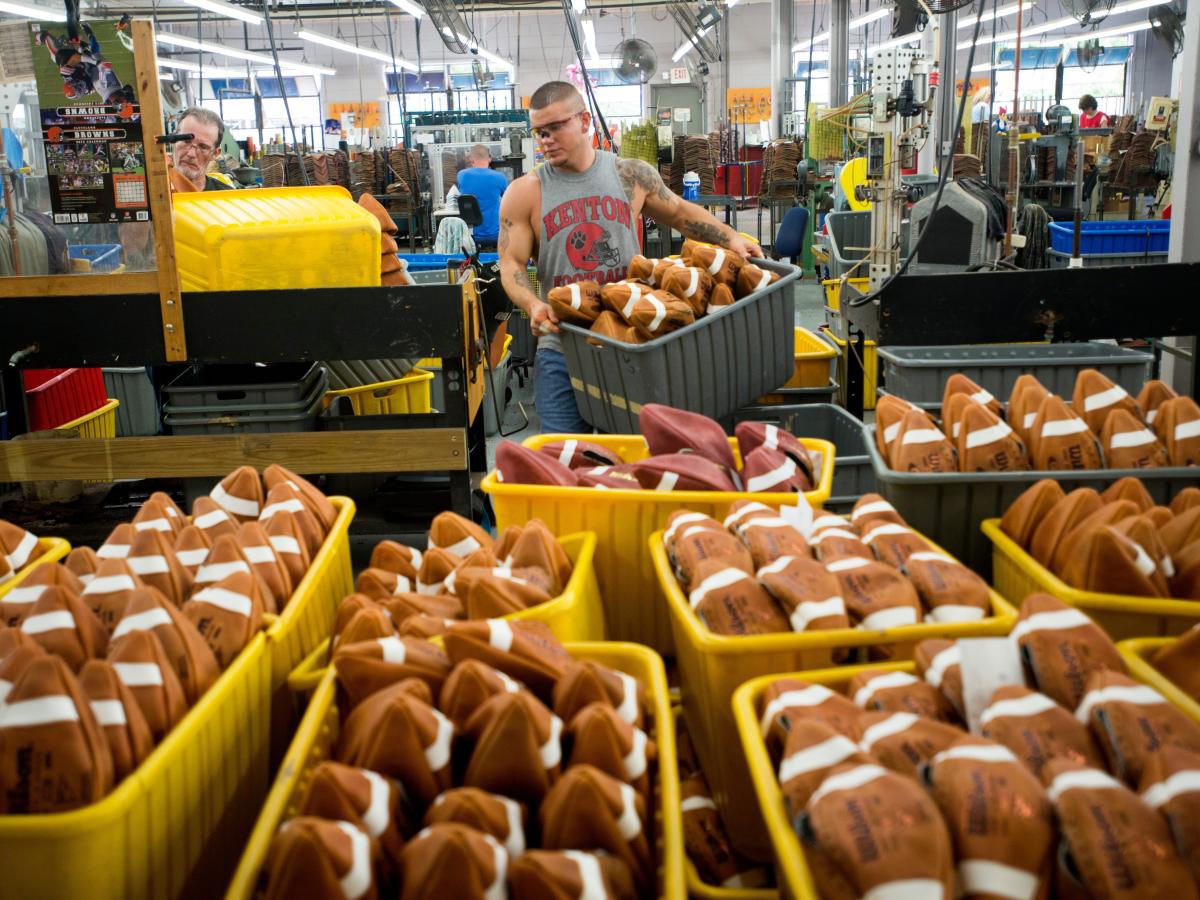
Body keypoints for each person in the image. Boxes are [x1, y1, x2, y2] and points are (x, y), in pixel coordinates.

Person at [498, 81, 762, 433]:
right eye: (540, 132)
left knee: (633, 457)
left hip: (631, 342)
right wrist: (532, 305)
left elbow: (681, 213)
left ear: (584, 121)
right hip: (562, 348)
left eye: (556, 127)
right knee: (566, 458)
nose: (546, 139)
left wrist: (731, 236)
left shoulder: (630, 175)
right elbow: (511, 264)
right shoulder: (525, 192)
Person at [456, 144, 508, 249]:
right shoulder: (500, 177)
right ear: (489, 159)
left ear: (471, 159)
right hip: (495, 235)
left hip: (470, 236)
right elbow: (508, 200)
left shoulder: (462, 175)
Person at [171, 107, 233, 192]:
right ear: (173, 140)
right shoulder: (151, 194)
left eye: (203, 147)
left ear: (215, 153)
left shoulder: (226, 199)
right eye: (185, 141)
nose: (191, 154)